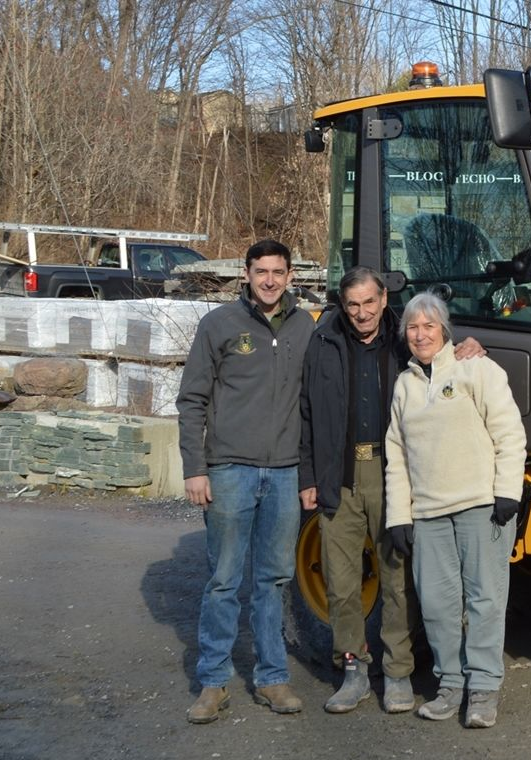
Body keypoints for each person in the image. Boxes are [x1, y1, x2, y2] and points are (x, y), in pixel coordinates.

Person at [297, 268, 483, 714]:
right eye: (353, 304)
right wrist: (308, 478)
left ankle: (397, 672)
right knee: (341, 582)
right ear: (344, 304)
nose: (361, 313)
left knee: (398, 577)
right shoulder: (323, 344)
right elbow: (306, 413)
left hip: (392, 473)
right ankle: (354, 670)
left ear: (383, 299)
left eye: (369, 302)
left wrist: (471, 348)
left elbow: (444, 362)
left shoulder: (404, 342)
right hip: (338, 475)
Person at [177, 239, 315, 724]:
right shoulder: (219, 325)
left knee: (274, 581)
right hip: (230, 470)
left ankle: (273, 678)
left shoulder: (307, 326)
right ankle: (213, 682)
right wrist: (195, 467)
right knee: (222, 580)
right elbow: (192, 399)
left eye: (278, 271)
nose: (270, 280)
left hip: (284, 473)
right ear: (247, 274)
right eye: (262, 272)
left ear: (291, 274)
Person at [384, 291, 526, 728]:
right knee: (438, 604)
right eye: (413, 327)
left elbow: (509, 431)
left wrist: (507, 492)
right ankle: (450, 686)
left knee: (485, 599)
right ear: (405, 334)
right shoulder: (405, 386)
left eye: (429, 326)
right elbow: (397, 456)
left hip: (481, 506)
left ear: (444, 330)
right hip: (428, 514)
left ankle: (483, 689)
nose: (421, 334)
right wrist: (399, 516)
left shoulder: (475, 368)